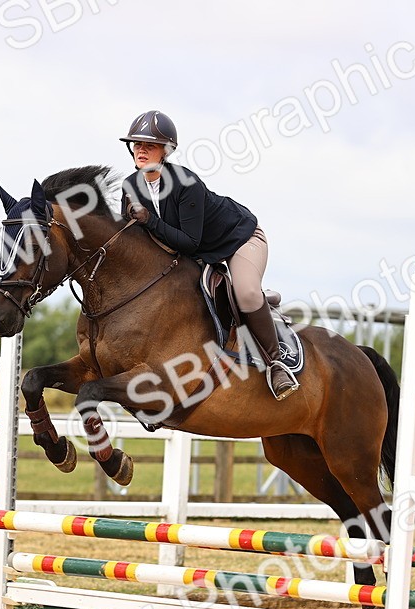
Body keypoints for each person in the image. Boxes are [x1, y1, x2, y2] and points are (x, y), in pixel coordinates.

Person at [118, 110, 299, 400]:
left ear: (165, 151)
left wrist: (149, 219)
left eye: (148, 145)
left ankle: (276, 363)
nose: (140, 150)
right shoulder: (130, 186)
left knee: (247, 293)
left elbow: (189, 242)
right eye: (136, 145)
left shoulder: (185, 183)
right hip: (200, 250)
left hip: (240, 239)